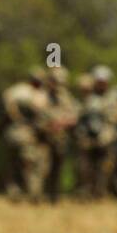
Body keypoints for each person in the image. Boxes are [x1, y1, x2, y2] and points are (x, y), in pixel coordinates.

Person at [74, 65, 117, 199]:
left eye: (104, 81)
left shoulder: (114, 97)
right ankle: (85, 193)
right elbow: (79, 116)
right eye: (99, 81)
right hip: (87, 139)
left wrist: (108, 134)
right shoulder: (87, 97)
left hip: (107, 140)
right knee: (85, 168)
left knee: (105, 169)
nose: (101, 84)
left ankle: (101, 193)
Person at [2, 67, 50, 203]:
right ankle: (32, 193)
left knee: (13, 166)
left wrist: (14, 116)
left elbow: (7, 102)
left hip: (12, 133)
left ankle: (15, 192)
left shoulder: (16, 90)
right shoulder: (39, 95)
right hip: (27, 135)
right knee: (30, 165)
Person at [43, 66, 79, 203]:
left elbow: (74, 116)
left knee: (57, 167)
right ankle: (40, 195)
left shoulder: (67, 98)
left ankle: (54, 197)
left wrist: (63, 123)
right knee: (43, 168)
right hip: (43, 137)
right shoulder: (42, 96)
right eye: (54, 80)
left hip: (61, 138)